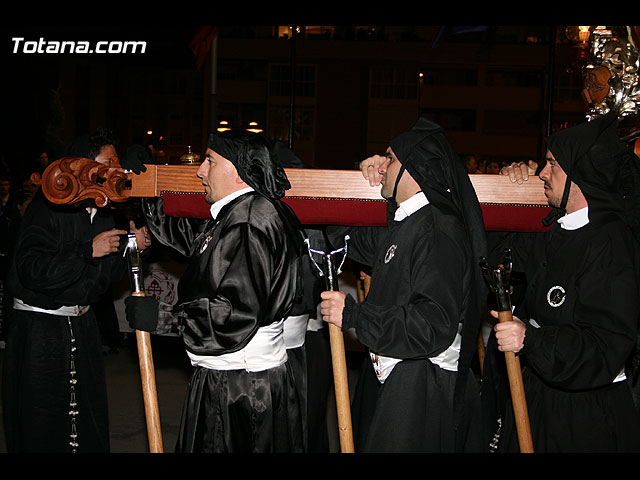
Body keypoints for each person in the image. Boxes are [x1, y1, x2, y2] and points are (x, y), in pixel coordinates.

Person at [129, 131, 306, 453]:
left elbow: (235, 314)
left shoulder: (249, 222)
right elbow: (201, 248)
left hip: (240, 386)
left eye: (210, 161)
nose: (200, 171)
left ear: (238, 170)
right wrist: (147, 188)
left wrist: (166, 319)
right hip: (238, 379)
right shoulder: (243, 212)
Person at [320, 117, 488, 452]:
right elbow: (339, 235)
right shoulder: (405, 223)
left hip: (423, 388)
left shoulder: (439, 230)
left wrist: (355, 317)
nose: (382, 166)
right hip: (402, 381)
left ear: (415, 168)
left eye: (390, 159)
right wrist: (362, 175)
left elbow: (431, 325)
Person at [489, 113, 640, 452]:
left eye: (552, 164)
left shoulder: (610, 241)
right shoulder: (557, 228)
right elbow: (496, 254)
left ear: (580, 174)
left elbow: (606, 345)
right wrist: (506, 191)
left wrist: (533, 339)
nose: (542, 172)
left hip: (583, 414)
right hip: (541, 395)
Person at [1, 128, 151, 453]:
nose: (115, 169)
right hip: (41, 330)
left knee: (85, 420)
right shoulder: (49, 208)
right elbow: (32, 271)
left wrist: (129, 246)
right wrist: (86, 249)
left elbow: (103, 275)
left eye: (116, 161)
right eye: (107, 162)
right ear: (81, 167)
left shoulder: (103, 212)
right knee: (43, 424)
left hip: (81, 326)